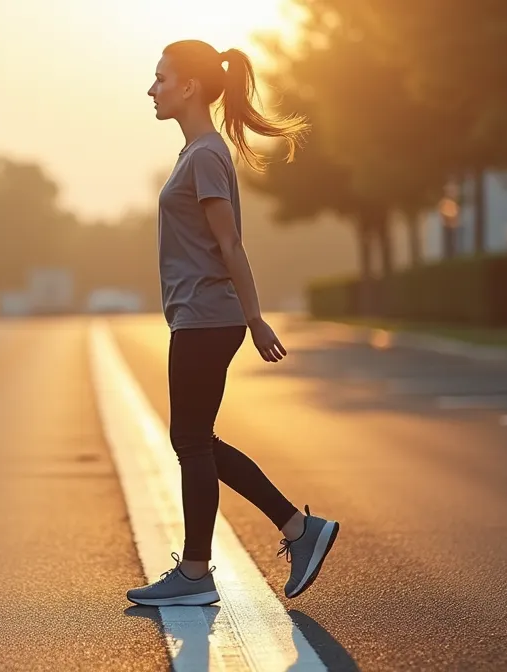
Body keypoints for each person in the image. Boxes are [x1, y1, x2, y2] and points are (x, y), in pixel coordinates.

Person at [125, 40, 339, 607]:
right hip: (199, 315)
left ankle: (197, 573)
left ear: (189, 86)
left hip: (207, 316)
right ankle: (298, 528)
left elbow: (230, 243)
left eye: (161, 78)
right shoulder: (197, 153)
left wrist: (255, 317)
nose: (151, 90)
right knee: (196, 439)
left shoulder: (204, 156)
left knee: (190, 440)